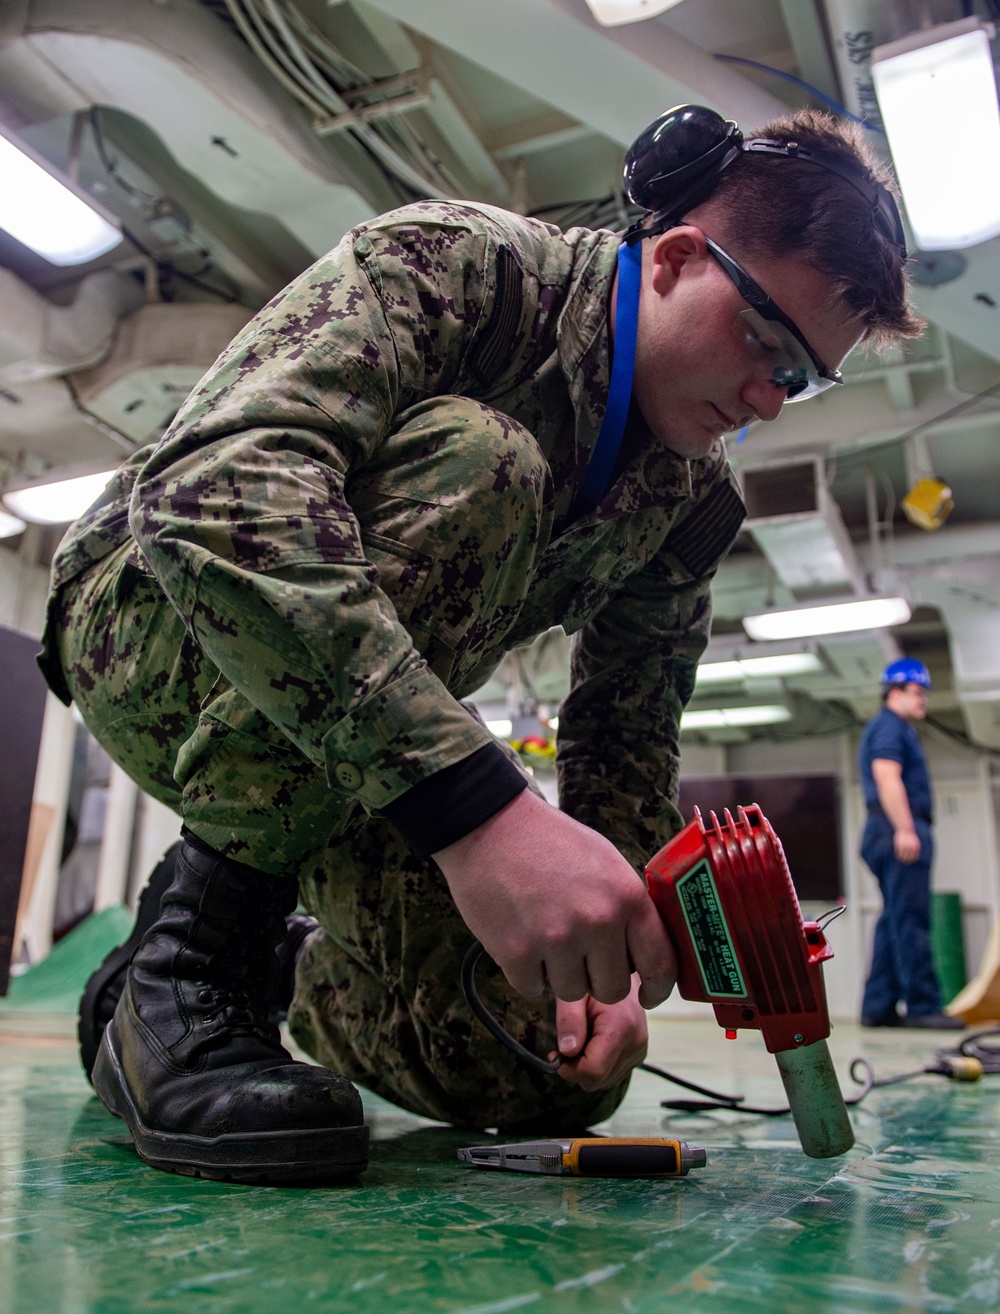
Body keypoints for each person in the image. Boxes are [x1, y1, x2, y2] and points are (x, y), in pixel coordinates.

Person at [39, 105, 921, 1182]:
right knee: (485, 464)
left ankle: (235, 974)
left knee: (550, 1064)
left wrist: (609, 960)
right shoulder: (466, 268)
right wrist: (481, 813)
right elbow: (212, 491)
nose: (767, 403)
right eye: (767, 347)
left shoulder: (686, 503)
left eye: (802, 381)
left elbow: (624, 743)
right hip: (153, 631)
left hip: (349, 747)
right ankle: (194, 964)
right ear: (683, 256)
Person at [859, 658, 964, 1030]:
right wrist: (906, 828)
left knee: (894, 918)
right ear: (895, 692)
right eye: (918, 693)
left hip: (882, 830)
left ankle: (877, 1006)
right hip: (895, 828)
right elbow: (887, 776)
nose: (924, 701)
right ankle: (922, 1006)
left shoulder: (892, 728)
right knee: (912, 920)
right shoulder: (889, 728)